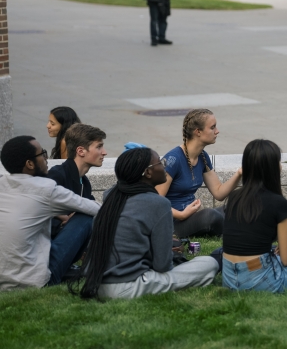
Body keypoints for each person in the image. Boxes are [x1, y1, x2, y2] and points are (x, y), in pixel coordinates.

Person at [72, 147, 219, 300]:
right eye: (161, 163)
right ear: (148, 173)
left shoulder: (111, 197)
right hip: (127, 286)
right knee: (209, 264)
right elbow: (162, 266)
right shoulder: (159, 203)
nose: (165, 167)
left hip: (95, 284)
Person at [222, 139, 287, 293]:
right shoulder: (279, 204)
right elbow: (286, 260)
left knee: (273, 253)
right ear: (272, 167)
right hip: (263, 281)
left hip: (230, 278)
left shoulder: (234, 197)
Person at [0, 136, 99, 291]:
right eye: (43, 154)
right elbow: (94, 209)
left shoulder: (2, 184)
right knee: (85, 218)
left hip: (3, 278)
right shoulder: (45, 189)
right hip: (34, 281)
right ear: (30, 164)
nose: (47, 159)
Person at [157, 109, 242, 238]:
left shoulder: (202, 156)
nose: (217, 131)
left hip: (191, 217)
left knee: (237, 205)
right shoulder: (173, 159)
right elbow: (156, 200)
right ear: (198, 132)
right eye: (212, 127)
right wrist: (181, 214)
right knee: (210, 216)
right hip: (172, 222)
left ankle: (238, 225)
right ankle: (240, 227)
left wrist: (239, 173)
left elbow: (219, 192)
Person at [46, 123, 106, 238]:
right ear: (80, 151)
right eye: (99, 147)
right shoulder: (57, 175)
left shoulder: (84, 182)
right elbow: (38, 211)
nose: (104, 152)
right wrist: (64, 220)